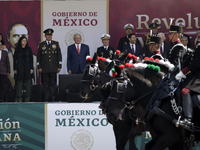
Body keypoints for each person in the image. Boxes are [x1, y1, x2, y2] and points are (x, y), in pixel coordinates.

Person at [175, 41, 200, 129]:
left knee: (185, 91)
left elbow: (196, 63)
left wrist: (183, 72)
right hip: (193, 76)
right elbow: (190, 59)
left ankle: (188, 119)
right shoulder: (198, 45)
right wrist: (178, 68)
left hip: (198, 77)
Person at [37, 28, 62, 102]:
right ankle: (46, 98)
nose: (49, 36)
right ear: (45, 36)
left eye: (50, 35)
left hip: (54, 68)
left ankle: (53, 98)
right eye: (48, 35)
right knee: (46, 84)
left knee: (53, 84)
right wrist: (39, 67)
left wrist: (59, 66)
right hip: (44, 68)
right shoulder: (41, 44)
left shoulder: (56, 44)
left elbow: (59, 56)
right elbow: (39, 57)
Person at [13, 36, 33, 102]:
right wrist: (15, 69)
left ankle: (27, 99)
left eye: (25, 40)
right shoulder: (17, 49)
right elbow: (14, 60)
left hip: (27, 69)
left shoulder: (29, 49)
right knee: (19, 85)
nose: (24, 42)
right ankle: (19, 98)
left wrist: (31, 68)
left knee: (28, 85)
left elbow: (31, 59)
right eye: (23, 40)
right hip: (19, 69)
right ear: (20, 41)